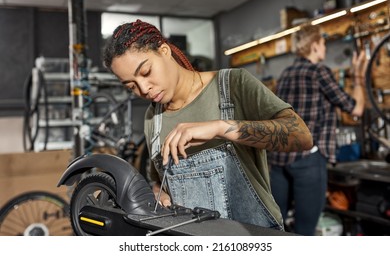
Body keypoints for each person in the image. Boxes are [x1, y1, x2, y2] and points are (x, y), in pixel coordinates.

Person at [102, 19, 313, 230]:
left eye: (146, 72)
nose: (144, 88)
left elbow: (302, 137)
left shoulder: (233, 85)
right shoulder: (152, 119)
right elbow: (159, 181)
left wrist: (221, 128)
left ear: (164, 51)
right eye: (131, 86)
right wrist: (158, 191)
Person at [267, 24, 367, 235]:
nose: (325, 48)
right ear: (314, 46)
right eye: (322, 43)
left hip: (277, 160)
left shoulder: (286, 74)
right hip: (308, 159)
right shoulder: (318, 71)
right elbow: (356, 109)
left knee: (275, 228)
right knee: (305, 230)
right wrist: (359, 76)